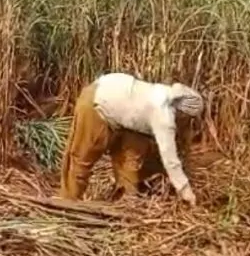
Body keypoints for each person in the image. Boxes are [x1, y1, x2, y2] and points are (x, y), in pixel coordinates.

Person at [57, 72, 204, 206]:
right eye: (189, 119)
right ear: (183, 114)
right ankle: (68, 204)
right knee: (82, 157)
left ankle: (126, 201)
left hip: (123, 105)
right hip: (98, 101)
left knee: (132, 155)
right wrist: (186, 191)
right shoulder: (163, 116)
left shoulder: (166, 92)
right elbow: (170, 159)